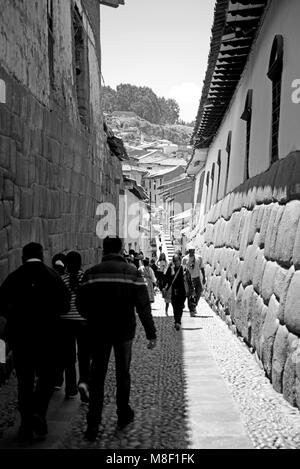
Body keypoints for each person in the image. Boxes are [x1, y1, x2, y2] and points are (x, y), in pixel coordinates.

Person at [76, 236, 157, 441]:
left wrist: (91, 319)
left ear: (104, 250)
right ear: (121, 250)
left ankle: (93, 423)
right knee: (123, 374)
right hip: (124, 332)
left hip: (99, 331)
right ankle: (123, 413)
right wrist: (151, 333)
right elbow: (143, 306)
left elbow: (80, 303)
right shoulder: (132, 273)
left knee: (97, 376)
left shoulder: (91, 274)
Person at [0, 243, 70, 441]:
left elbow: (1, 304)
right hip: (47, 339)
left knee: (25, 382)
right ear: (42, 256)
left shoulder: (14, 277)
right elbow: (65, 306)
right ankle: (39, 412)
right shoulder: (53, 277)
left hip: (21, 340)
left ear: (23, 257)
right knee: (47, 378)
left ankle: (25, 425)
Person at [59, 251, 90, 403]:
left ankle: (70, 389)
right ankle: (84, 383)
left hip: (65, 322)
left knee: (68, 357)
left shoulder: (61, 279)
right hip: (83, 321)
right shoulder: (85, 278)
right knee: (84, 355)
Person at [163, 254, 186, 330]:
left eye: (178, 260)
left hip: (182, 292)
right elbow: (166, 279)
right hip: (173, 291)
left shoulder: (183, 269)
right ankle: (177, 320)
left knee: (180, 306)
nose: (177, 262)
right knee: (175, 307)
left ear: (180, 260)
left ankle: (178, 322)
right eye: (175, 261)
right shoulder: (170, 269)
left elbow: (187, 280)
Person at [182, 244, 206, 317]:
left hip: (197, 277)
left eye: (193, 251)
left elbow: (202, 268)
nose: (191, 252)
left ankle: (194, 305)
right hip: (189, 279)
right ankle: (192, 310)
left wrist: (204, 277)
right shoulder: (185, 259)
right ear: (188, 251)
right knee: (190, 294)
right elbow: (182, 269)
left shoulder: (199, 258)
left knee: (199, 291)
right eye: (190, 251)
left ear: (194, 251)